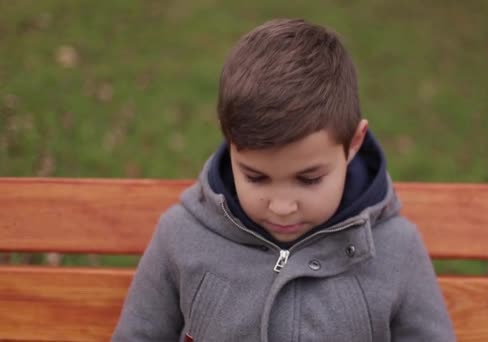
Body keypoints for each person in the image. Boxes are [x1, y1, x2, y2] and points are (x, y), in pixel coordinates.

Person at [112, 18, 455, 341]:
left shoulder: (396, 249)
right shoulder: (181, 237)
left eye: (309, 180)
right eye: (256, 178)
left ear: (353, 143)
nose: (282, 207)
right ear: (231, 145)